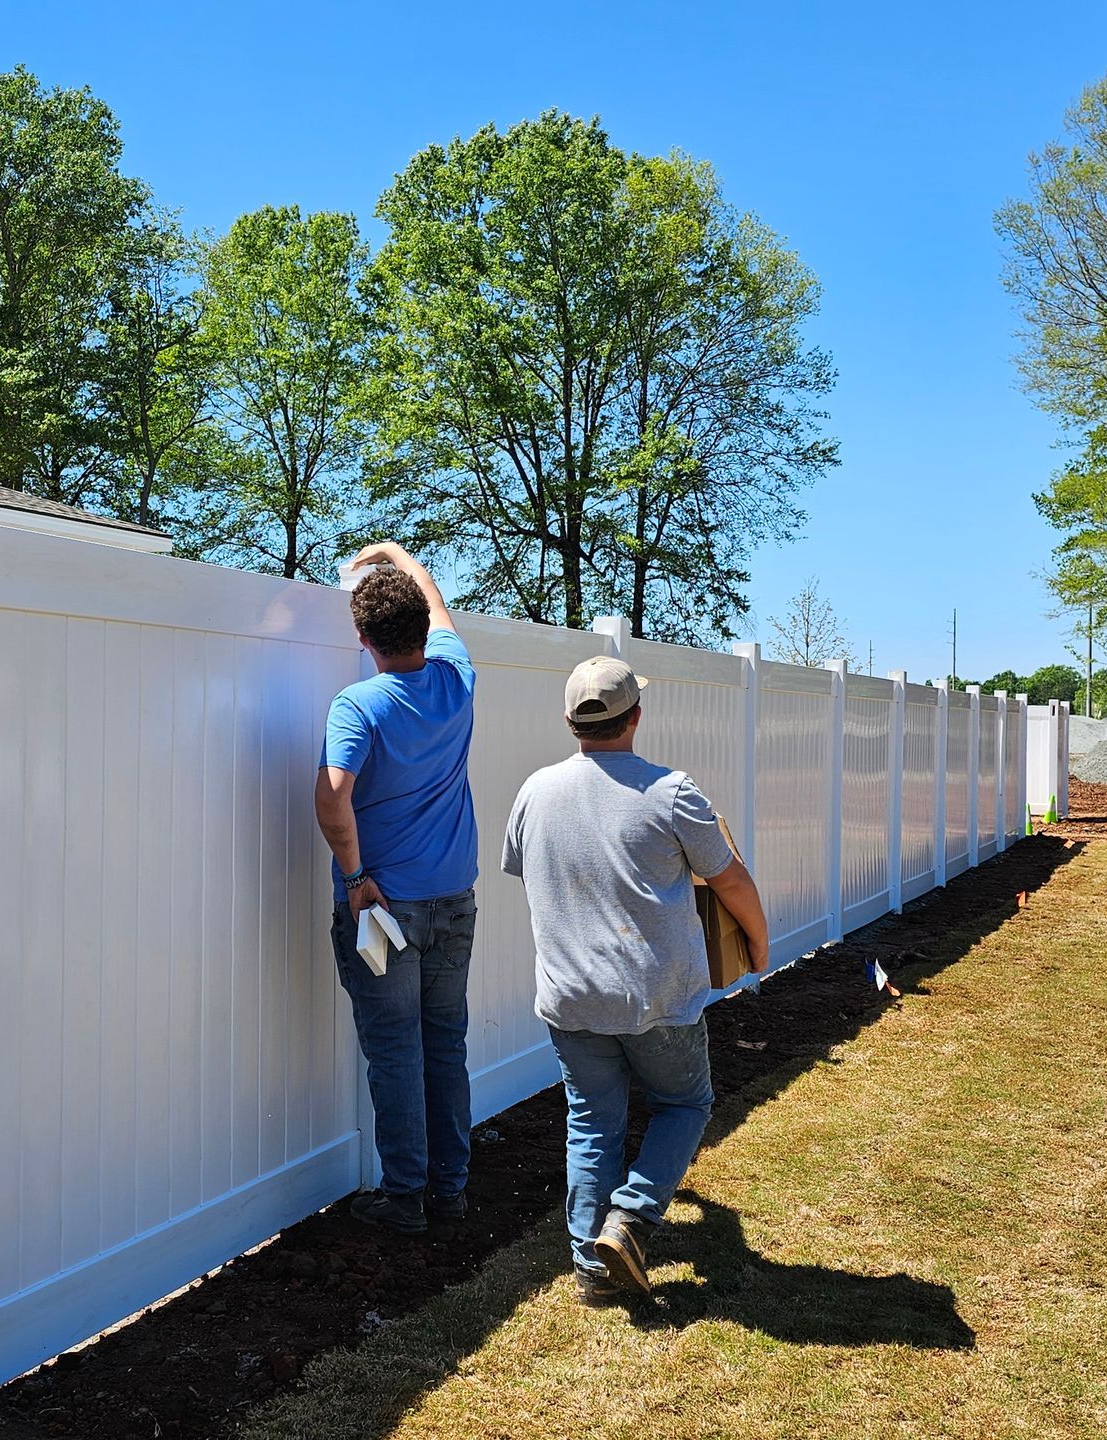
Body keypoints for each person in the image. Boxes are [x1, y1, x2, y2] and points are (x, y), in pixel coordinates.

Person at [501, 655, 770, 1303]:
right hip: (658, 997)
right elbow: (728, 879)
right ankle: (631, 1217)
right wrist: (759, 946)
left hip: (568, 998)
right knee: (684, 1104)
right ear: (636, 717)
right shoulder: (671, 791)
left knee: (593, 1122)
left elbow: (523, 868)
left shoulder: (534, 791)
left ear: (571, 722)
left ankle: (592, 1272)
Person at [314, 542, 479, 1235]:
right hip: (452, 901)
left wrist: (354, 877)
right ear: (421, 629)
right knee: (444, 1044)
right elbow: (437, 602)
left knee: (395, 1051)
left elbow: (331, 799)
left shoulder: (358, 706)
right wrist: (397, 554)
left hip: (382, 911)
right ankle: (451, 1191)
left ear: (362, 640)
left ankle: (404, 1196)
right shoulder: (456, 681)